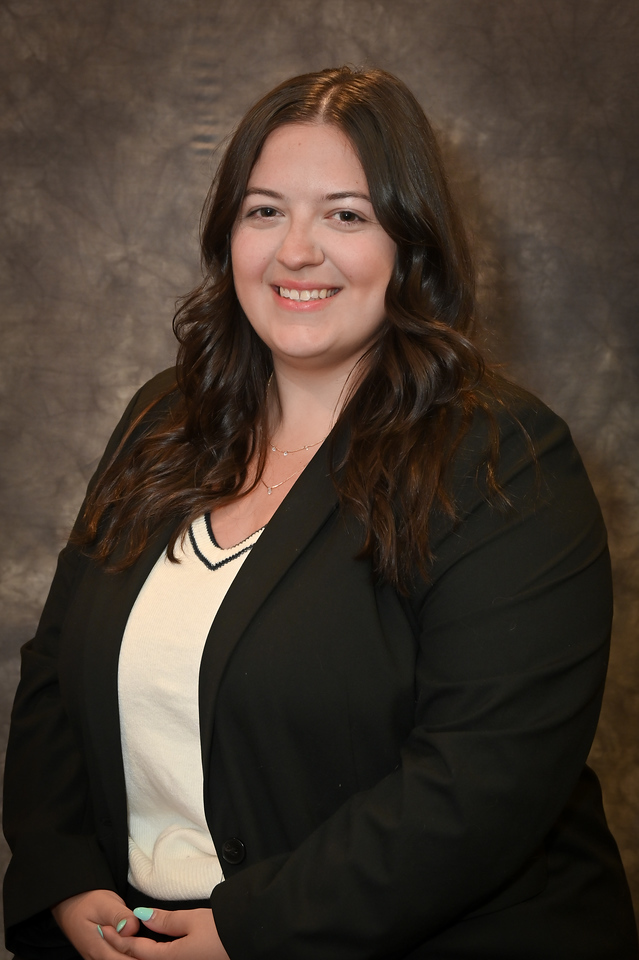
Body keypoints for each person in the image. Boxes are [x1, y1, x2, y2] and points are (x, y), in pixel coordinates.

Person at [3, 65, 638, 960]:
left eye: (346, 214)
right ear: (228, 236)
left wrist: (244, 931)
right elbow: (54, 676)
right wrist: (64, 871)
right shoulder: (162, 419)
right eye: (265, 211)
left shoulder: (502, 459)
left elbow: (479, 781)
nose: (296, 251)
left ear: (409, 244)